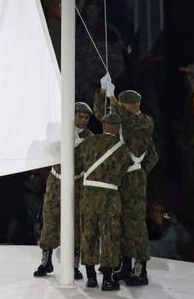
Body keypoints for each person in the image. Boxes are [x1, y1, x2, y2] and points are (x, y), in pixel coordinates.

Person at [94, 75, 158, 286]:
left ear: (134, 105)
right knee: (119, 222)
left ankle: (141, 269)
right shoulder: (122, 119)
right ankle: (125, 266)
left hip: (133, 180)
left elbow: (131, 125)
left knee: (135, 225)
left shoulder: (144, 120)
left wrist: (138, 172)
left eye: (124, 104)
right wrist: (103, 93)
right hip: (119, 178)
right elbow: (101, 114)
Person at [33, 102, 94, 280]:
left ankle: (74, 264)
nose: (83, 120)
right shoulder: (59, 132)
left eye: (86, 117)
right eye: (80, 116)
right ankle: (46, 260)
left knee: (76, 222)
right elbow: (48, 149)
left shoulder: (90, 137)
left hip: (77, 182)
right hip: (57, 179)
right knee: (51, 218)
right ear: (73, 115)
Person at [79, 112, 130, 290]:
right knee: (110, 236)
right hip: (110, 195)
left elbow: (78, 165)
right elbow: (124, 172)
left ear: (103, 126)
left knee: (88, 234)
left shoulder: (88, 142)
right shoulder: (122, 149)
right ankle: (107, 279)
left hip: (89, 194)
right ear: (118, 129)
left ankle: (91, 277)